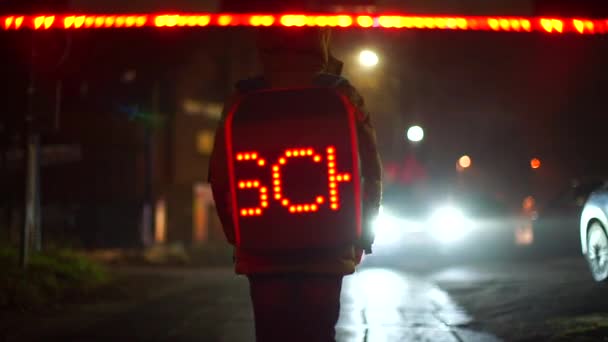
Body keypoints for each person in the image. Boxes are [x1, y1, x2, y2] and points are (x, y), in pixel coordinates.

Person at [209, 27, 382, 342]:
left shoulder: (242, 98)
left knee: (271, 333)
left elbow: (220, 178)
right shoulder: (343, 94)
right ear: (321, 39)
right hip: (328, 247)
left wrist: (238, 236)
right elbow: (370, 172)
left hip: (262, 249)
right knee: (319, 331)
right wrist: (362, 237)